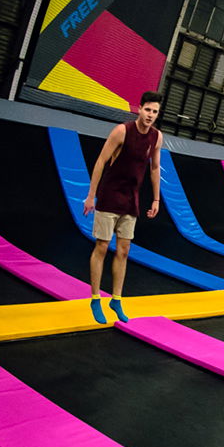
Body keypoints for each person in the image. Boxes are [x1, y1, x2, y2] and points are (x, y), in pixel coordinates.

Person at [82, 93, 163, 325]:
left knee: (124, 250)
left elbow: (155, 168)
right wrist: (91, 196)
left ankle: (116, 299)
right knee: (102, 246)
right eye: (148, 110)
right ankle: (96, 298)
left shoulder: (157, 137)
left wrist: (156, 200)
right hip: (110, 195)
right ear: (139, 109)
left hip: (131, 199)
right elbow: (100, 161)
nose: (150, 115)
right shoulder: (122, 131)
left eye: (155, 112)